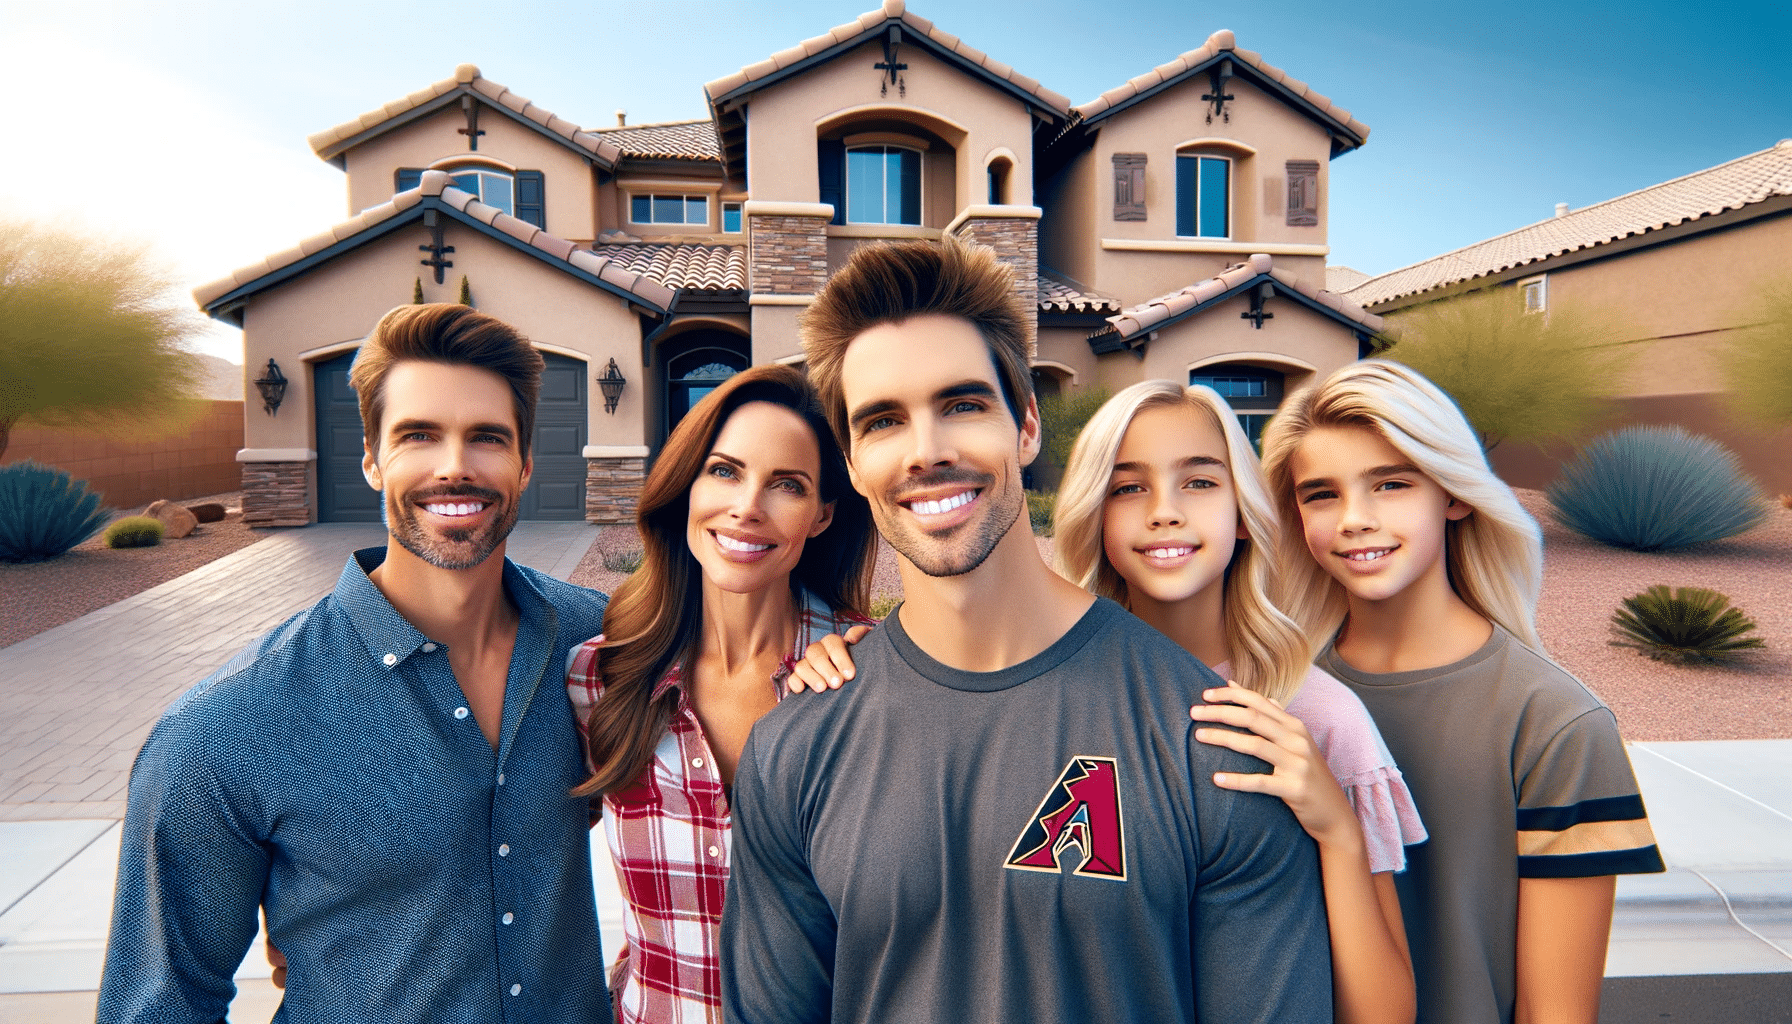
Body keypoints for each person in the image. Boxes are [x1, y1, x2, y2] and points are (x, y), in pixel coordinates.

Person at [720, 236, 1333, 1024]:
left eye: (963, 405)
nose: (927, 451)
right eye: (882, 422)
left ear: (1028, 425)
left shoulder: (1212, 741)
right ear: (851, 459)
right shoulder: (796, 747)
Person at [798, 379, 1429, 1024]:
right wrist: (867, 666)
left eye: (1200, 482)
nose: (1165, 511)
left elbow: (1385, 1012)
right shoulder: (1028, 682)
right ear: (1096, 518)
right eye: (1129, 488)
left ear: (1244, 513)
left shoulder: (1319, 716)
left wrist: (1338, 829)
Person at [98, 304, 614, 1023]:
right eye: (418, 436)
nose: (455, 466)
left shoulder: (598, 645)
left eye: (487, 437)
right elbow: (160, 1003)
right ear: (371, 458)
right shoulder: (221, 733)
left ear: (525, 463)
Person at [1258, 359, 1664, 1024]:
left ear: (1454, 493)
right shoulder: (1276, 700)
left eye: (1390, 484)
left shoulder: (1559, 724)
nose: (1355, 519)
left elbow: (1554, 1012)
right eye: (1320, 494)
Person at [564, 364, 875, 1024]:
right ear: (687, 488)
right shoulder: (601, 679)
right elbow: (515, 845)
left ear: (821, 515)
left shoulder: (873, 676)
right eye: (725, 471)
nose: (747, 507)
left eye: (786, 485)